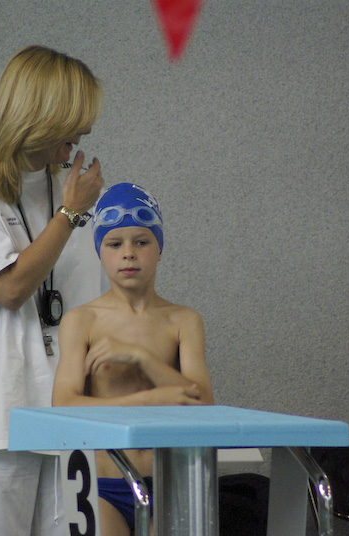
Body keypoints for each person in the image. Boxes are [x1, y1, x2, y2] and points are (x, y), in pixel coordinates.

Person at [0, 45, 105, 536]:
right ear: (38, 115)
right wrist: (69, 215)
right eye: (73, 122)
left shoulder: (72, 189)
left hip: (71, 420)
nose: (83, 134)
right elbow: (9, 289)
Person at [52, 182, 215, 536]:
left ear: (160, 249)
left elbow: (203, 404)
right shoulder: (82, 321)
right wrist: (154, 399)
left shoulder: (183, 321)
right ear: (100, 252)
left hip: (169, 481)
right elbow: (63, 404)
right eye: (114, 244)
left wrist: (141, 357)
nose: (128, 253)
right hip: (102, 486)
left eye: (141, 242)